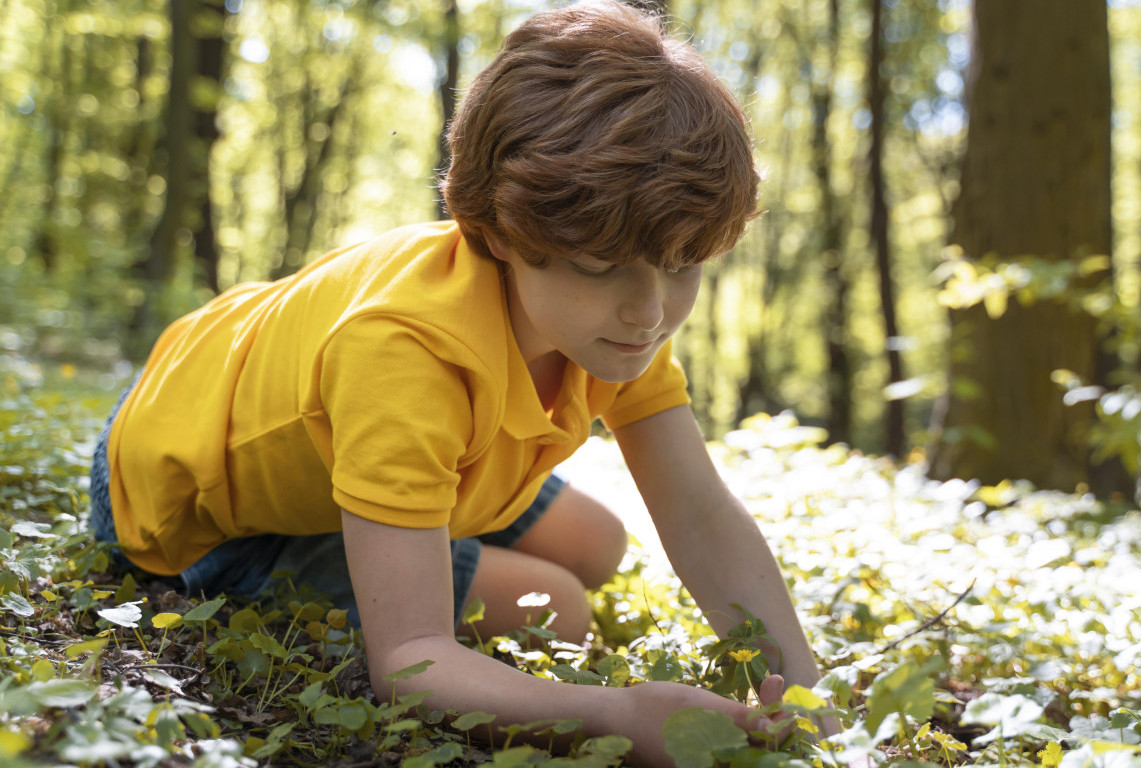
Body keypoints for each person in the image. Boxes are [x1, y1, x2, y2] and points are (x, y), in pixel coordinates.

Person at [89, 1, 828, 764]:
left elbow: (701, 514)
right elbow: (412, 663)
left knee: (598, 544)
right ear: (505, 234)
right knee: (562, 609)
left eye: (682, 267)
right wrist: (621, 716)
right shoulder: (404, 354)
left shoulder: (611, 326)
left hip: (287, 405)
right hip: (186, 502)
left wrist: (807, 698)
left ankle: (416, 520)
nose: (650, 312)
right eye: (602, 268)